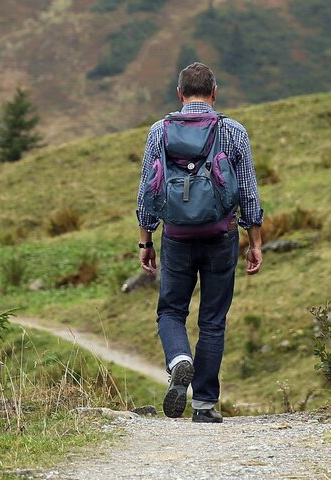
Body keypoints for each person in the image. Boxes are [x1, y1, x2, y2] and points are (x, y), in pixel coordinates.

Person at [136, 62, 263, 423]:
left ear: (179, 94)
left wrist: (146, 240)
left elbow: (147, 190)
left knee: (171, 311)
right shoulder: (233, 131)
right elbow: (249, 193)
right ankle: (204, 405)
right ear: (214, 92)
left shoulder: (159, 131)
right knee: (213, 320)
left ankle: (179, 360)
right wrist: (254, 241)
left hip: (176, 236)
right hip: (221, 235)